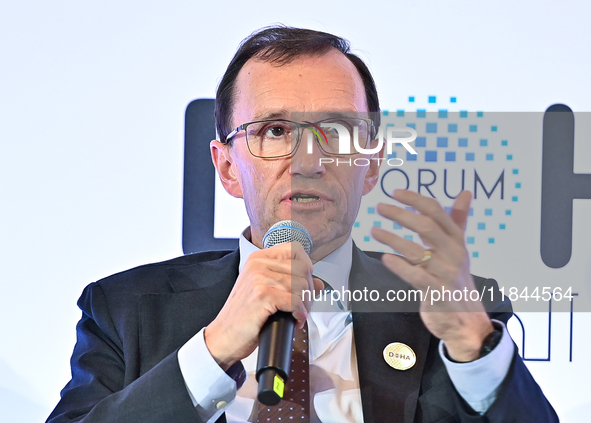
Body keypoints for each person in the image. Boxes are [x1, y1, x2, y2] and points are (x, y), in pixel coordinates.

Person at [46, 26, 558, 423]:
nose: (308, 159)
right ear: (227, 167)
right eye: (274, 130)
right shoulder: (126, 310)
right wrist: (215, 348)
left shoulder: (449, 311)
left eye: (335, 130)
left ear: (373, 161)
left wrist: (476, 349)